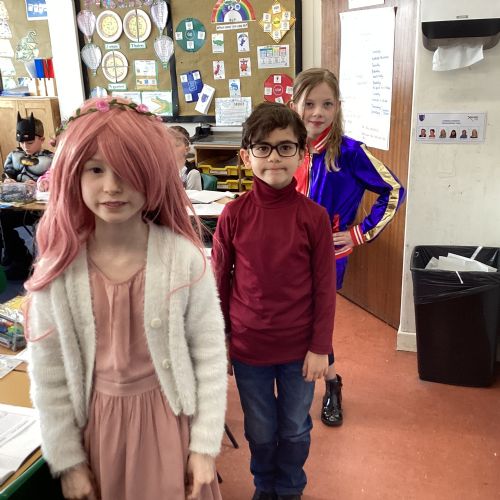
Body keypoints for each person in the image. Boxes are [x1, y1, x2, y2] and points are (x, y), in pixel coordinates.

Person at [25, 97, 227, 500]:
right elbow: (49, 373)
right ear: (73, 174)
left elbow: (209, 355)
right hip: (98, 434)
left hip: (168, 427)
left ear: (152, 175)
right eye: (95, 169)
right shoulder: (59, 268)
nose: (112, 186)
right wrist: (68, 460)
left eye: (128, 170)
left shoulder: (183, 259)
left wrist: (204, 446)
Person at [212, 102, 336, 500]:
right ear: (246, 156)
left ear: (302, 153)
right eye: (263, 148)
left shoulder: (314, 217)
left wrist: (321, 348)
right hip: (249, 347)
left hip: (300, 349)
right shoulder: (233, 215)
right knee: (260, 428)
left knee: (296, 426)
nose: (274, 158)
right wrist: (222, 341)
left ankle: (290, 487)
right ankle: (265, 486)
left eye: (285, 147)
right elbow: (220, 283)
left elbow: (325, 288)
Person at [290, 68, 406, 427]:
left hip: (327, 255)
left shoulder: (350, 152)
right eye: (309, 103)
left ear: (337, 107)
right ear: (293, 105)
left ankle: (331, 382)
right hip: (287, 253)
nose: (317, 112)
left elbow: (394, 190)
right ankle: (305, 381)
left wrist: (359, 233)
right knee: (294, 318)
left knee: (315, 319)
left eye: (327, 104)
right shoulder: (288, 147)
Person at [0, 113, 53, 279]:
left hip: (37, 209)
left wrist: (40, 184)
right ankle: (18, 255)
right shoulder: (14, 155)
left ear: (42, 139)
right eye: (21, 142)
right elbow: (7, 172)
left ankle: (27, 263)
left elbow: (52, 180)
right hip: (14, 204)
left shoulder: (49, 159)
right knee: (2, 218)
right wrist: (8, 180)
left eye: (29, 142)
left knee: (37, 227)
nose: (25, 146)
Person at [171, 125, 203, 190]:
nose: (170, 149)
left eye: (176, 145)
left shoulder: (192, 174)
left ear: (187, 150)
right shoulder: (162, 170)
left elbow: (193, 196)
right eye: (167, 144)